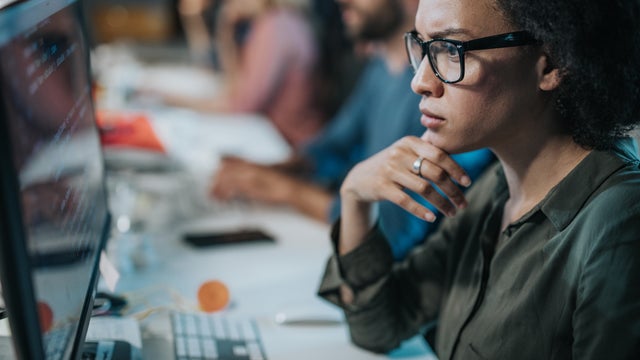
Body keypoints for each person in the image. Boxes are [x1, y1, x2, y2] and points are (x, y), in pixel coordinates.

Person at [317, 0, 640, 358]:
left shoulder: (621, 219)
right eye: (422, 47)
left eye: (450, 50)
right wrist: (355, 197)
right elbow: (379, 326)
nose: (420, 82)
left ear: (551, 62)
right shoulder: (496, 188)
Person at [211, 0, 495, 260]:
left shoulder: (443, 95)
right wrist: (273, 170)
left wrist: (285, 190)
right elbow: (336, 147)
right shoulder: (381, 66)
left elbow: (393, 224)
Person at [168, 0, 326, 148]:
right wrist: (226, 30)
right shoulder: (280, 21)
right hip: (277, 138)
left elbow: (240, 106)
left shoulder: (276, 27)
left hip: (291, 146)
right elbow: (234, 85)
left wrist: (171, 100)